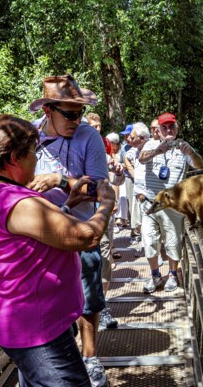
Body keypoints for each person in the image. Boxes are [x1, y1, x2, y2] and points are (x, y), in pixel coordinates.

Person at [0, 114, 115, 387]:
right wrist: (107, 203)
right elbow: (87, 237)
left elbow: (31, 238)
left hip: (29, 322)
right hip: (37, 330)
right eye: (33, 153)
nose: (37, 160)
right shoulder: (15, 202)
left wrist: (67, 206)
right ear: (14, 158)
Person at [26, 74, 110, 387]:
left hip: (79, 229)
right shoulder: (29, 134)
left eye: (80, 112)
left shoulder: (89, 137)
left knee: (88, 295)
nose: (78, 119)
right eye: (70, 114)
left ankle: (90, 358)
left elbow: (100, 189)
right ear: (48, 111)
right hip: (37, 233)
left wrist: (59, 181)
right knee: (46, 298)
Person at [138, 112, 203, 293]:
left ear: (177, 128)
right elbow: (141, 158)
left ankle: (173, 275)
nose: (168, 130)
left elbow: (198, 164)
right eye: (164, 127)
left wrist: (191, 152)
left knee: (173, 242)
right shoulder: (151, 144)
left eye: (171, 127)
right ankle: (155, 275)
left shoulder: (183, 146)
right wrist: (158, 150)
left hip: (173, 206)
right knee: (149, 241)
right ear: (157, 130)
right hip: (150, 205)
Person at [86, 114, 124, 331]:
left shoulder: (104, 146)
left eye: (98, 126)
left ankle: (103, 305)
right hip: (81, 214)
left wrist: (117, 174)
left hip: (103, 212)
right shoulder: (70, 145)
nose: (96, 129)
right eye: (93, 126)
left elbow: (117, 180)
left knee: (105, 256)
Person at [126, 122, 150, 257]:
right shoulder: (134, 150)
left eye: (132, 137)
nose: (130, 139)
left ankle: (153, 254)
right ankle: (146, 249)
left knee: (150, 225)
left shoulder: (152, 148)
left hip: (150, 194)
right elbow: (126, 157)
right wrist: (133, 173)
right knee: (141, 222)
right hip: (139, 193)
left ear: (141, 138)